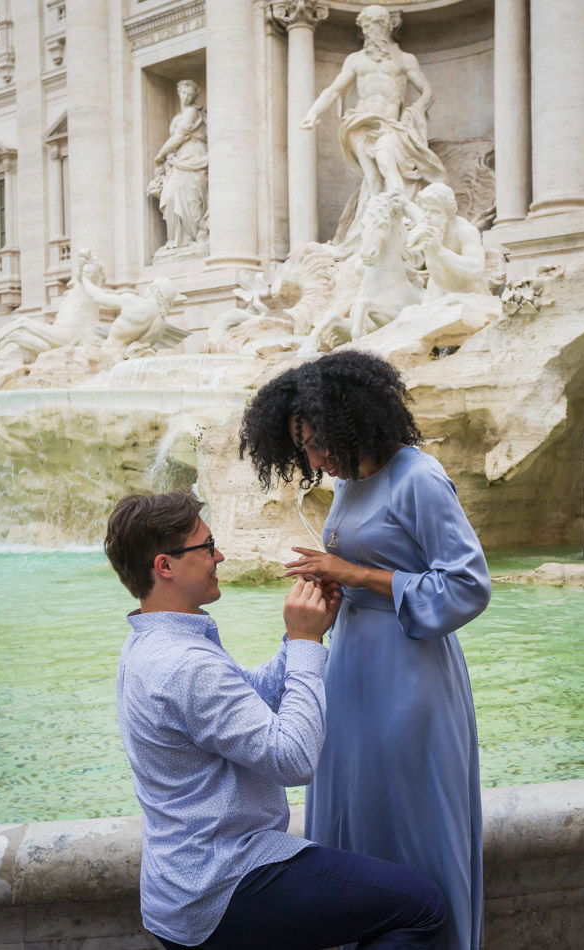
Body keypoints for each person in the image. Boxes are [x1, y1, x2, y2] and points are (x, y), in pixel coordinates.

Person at [105, 490, 446, 950]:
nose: (219, 555)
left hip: (183, 886)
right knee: (423, 907)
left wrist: (303, 636)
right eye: (206, 547)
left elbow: (247, 699)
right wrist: (305, 643)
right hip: (224, 881)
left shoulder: (152, 644)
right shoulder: (186, 664)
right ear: (165, 566)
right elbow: (293, 760)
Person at [239, 351, 492, 950]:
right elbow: (369, 567)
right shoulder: (349, 481)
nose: (314, 459)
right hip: (349, 666)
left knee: (411, 818)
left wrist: (353, 573)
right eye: (302, 447)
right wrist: (332, 591)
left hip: (409, 678)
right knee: (354, 812)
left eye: (319, 442)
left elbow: (468, 585)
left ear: (355, 422)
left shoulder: (419, 478)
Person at [301, 5, 445, 253]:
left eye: (376, 25)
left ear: (388, 26)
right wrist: (313, 112)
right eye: (367, 27)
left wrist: (416, 111)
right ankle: (365, 234)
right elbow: (334, 90)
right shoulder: (355, 60)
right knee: (372, 177)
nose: (371, 32)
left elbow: (428, 91)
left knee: (387, 165)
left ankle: (401, 221)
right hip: (359, 123)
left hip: (390, 125)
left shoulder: (404, 59)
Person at [147, 78, 209, 250]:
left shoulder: (191, 113)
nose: (186, 97)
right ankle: (177, 239)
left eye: (190, 94)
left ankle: (194, 236)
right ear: (178, 93)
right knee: (171, 196)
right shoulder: (177, 117)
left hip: (194, 155)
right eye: (183, 92)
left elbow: (180, 136)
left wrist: (160, 155)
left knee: (192, 197)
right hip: (178, 159)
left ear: (194, 96)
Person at [403, 183, 489, 301]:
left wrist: (440, 250)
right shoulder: (430, 227)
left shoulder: (465, 230)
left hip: (466, 297)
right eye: (424, 210)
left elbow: (476, 270)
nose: (427, 217)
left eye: (434, 211)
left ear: (449, 213)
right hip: (435, 294)